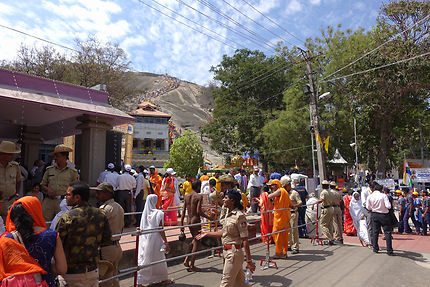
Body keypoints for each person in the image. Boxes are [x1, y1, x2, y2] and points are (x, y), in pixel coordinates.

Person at [56, 181, 112, 286]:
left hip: (71, 274)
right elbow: (107, 240)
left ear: (77, 197)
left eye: (68, 194)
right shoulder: (101, 214)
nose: (65, 197)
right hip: (92, 272)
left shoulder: (67, 218)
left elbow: (56, 244)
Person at [196, 189, 255, 287]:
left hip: (234, 253)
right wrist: (207, 233)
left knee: (225, 284)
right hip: (227, 252)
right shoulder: (228, 213)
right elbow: (224, 232)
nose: (223, 200)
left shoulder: (239, 216)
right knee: (241, 283)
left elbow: (245, 239)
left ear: (233, 201)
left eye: (226, 198)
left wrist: (249, 261)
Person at [5, 196, 67, 286]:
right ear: (36, 211)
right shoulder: (51, 236)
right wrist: (45, 267)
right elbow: (62, 269)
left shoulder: (8, 239)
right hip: (44, 283)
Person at [137, 194, 173, 286]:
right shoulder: (158, 213)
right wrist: (166, 242)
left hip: (145, 239)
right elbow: (160, 229)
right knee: (158, 259)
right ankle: (162, 279)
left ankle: (140, 281)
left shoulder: (144, 214)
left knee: (145, 259)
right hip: (156, 239)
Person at [95, 182, 125, 287]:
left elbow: (97, 229)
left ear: (106, 194)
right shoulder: (119, 207)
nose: (96, 196)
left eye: (99, 193)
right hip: (116, 246)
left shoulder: (105, 209)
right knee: (113, 276)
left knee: (104, 280)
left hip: (106, 248)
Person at [41, 144, 79, 222]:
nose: (55, 158)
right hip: (48, 202)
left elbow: (76, 188)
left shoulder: (72, 172)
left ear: (64, 157)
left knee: (63, 223)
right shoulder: (49, 170)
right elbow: (42, 184)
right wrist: (47, 189)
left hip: (64, 202)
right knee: (45, 223)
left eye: (57, 156)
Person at [180, 180, 211, 272]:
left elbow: (183, 211)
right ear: (198, 187)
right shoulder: (198, 196)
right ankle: (192, 265)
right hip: (195, 220)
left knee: (194, 239)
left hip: (188, 220)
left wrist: (182, 224)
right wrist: (209, 217)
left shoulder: (186, 196)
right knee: (197, 241)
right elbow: (199, 212)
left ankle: (186, 260)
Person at [366, 183, 394, 256]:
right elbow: (388, 206)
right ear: (381, 189)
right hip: (384, 215)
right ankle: (389, 250)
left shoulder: (370, 196)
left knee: (375, 232)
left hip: (374, 214)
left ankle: (375, 248)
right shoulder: (383, 196)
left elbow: (368, 207)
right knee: (387, 232)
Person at [268, 179, 292, 258]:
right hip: (284, 216)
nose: (272, 187)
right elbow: (290, 204)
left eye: (273, 185)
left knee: (277, 234)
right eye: (271, 185)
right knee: (283, 235)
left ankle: (279, 253)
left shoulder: (280, 191)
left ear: (278, 184)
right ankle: (283, 252)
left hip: (280, 217)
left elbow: (269, 196)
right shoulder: (285, 192)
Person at [0, 140, 22, 217]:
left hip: (10, 201)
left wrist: (17, 194)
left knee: (10, 224)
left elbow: (18, 181)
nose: (13, 156)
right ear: (3, 154)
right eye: (10, 154)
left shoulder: (15, 166)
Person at [286, 178, 302, 254]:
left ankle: (296, 247)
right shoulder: (285, 193)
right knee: (288, 231)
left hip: (293, 213)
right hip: (287, 214)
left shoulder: (294, 193)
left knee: (294, 231)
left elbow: (300, 203)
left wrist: (294, 205)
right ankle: (289, 245)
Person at [316, 180, 335, 245]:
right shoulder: (331, 192)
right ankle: (330, 238)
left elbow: (322, 200)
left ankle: (330, 238)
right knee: (329, 224)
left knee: (322, 225)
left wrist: (316, 202)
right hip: (331, 208)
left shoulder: (323, 192)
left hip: (326, 208)